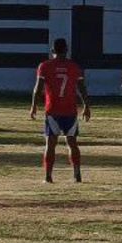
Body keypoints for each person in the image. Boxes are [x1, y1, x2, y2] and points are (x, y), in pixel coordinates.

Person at [30, 38, 90, 183]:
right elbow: (82, 89)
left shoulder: (45, 66)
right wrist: (86, 106)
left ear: (52, 51)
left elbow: (38, 88)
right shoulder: (74, 67)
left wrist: (34, 106)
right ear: (67, 50)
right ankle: (77, 175)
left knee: (50, 143)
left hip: (53, 110)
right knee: (72, 143)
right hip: (70, 110)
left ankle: (48, 176)